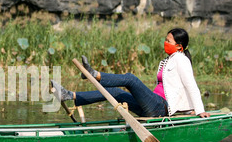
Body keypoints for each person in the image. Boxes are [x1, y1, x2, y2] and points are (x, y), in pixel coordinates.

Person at [51, 28, 210, 118]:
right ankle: (69, 95)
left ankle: (94, 74)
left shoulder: (181, 59)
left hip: (161, 107)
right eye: (166, 39)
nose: (165, 43)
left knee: (131, 79)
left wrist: (199, 110)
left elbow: (191, 86)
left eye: (169, 41)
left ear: (179, 46)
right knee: (115, 93)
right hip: (151, 106)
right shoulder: (167, 60)